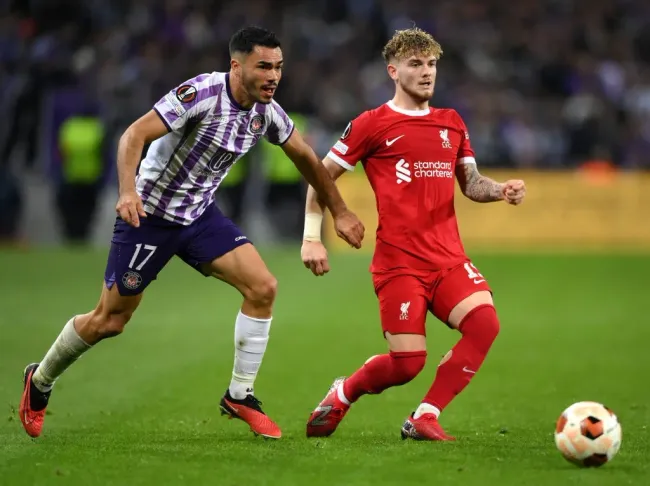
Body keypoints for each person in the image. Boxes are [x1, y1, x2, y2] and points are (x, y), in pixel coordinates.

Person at [19, 26, 364, 440]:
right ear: (236, 66)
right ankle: (39, 380)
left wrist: (340, 211)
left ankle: (240, 394)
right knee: (110, 320)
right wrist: (128, 191)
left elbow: (307, 157)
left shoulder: (266, 112)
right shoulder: (200, 94)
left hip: (199, 217)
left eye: (279, 67)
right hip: (148, 217)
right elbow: (134, 135)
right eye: (264, 67)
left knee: (263, 288)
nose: (273, 76)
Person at [301, 27, 526, 441]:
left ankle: (425, 415)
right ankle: (344, 391)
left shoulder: (451, 123)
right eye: (416, 64)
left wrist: (500, 191)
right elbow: (319, 177)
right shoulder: (372, 124)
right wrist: (314, 235)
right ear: (393, 70)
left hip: (448, 258)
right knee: (407, 364)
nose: (426, 73)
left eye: (432, 64)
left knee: (485, 324)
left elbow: (471, 183)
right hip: (399, 263)